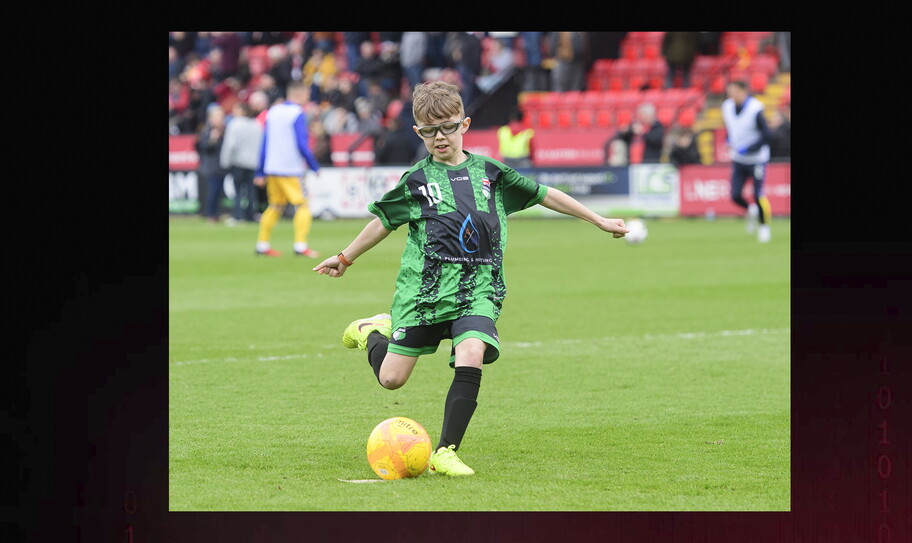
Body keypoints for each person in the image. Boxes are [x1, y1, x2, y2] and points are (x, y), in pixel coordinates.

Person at [311, 81, 628, 476]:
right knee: (391, 380)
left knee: (472, 351)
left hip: (478, 289)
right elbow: (382, 223)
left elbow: (545, 193)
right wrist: (345, 257)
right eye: (429, 131)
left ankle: (446, 450)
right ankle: (371, 331)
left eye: (446, 127)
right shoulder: (416, 181)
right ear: (417, 132)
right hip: (424, 293)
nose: (439, 137)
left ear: (464, 124)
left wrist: (598, 220)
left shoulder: (490, 173)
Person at [253, 81, 322, 257]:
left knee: (275, 205)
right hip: (291, 168)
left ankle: (262, 244)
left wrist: (260, 170)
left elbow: (265, 142)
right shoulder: (297, 113)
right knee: (303, 205)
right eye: (306, 95)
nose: (307, 98)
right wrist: (313, 165)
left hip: (272, 168)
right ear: (298, 94)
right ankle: (300, 245)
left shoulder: (272, 112)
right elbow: (302, 143)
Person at [721, 80, 774, 243]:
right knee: (735, 195)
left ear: (744, 91)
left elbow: (767, 136)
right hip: (738, 159)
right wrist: (728, 140)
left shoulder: (755, 109)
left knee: (758, 194)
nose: (731, 95)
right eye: (730, 91)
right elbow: (731, 128)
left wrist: (750, 148)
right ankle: (750, 210)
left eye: (735, 91)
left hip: (757, 159)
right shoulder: (727, 107)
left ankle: (764, 226)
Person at [220, 101, 263, 224]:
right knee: (251, 190)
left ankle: (238, 216)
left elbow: (230, 145)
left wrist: (225, 161)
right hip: (253, 163)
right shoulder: (257, 124)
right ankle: (251, 216)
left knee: (238, 190)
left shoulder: (235, 124)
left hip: (238, 162)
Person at [195, 104, 228, 223]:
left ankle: (217, 213)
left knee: (219, 191)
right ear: (211, 118)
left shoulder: (224, 130)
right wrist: (212, 140)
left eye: (222, 116)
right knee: (213, 191)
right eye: (219, 117)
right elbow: (203, 147)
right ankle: (210, 214)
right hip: (210, 167)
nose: (221, 119)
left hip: (221, 166)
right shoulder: (206, 131)